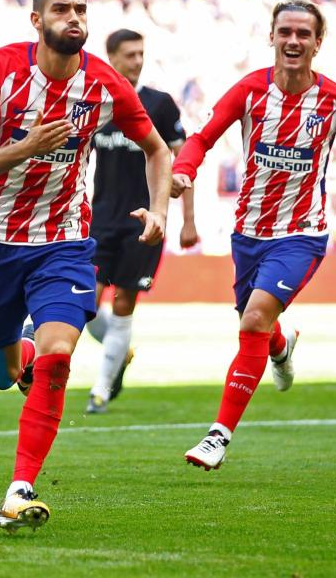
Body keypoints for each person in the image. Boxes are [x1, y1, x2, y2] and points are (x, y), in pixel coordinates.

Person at [0, 0, 172, 532]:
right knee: (4, 375)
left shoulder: (104, 86)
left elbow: (156, 148)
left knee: (58, 357)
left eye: (81, 9)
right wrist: (28, 145)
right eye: (61, 9)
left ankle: (18, 490)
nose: (74, 18)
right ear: (37, 21)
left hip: (64, 243)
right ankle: (19, 356)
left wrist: (160, 210)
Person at [171, 0, 336, 471]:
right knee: (257, 324)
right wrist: (184, 171)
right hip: (247, 233)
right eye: (285, 32)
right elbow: (202, 138)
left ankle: (217, 437)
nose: (293, 41)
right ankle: (282, 347)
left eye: (304, 34)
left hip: (302, 233)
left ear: (318, 43)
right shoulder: (248, 91)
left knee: (252, 320)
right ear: (272, 37)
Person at [84, 29, 198, 414]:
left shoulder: (160, 105)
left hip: (145, 223)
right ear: (111, 58)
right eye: (129, 55)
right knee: (82, 303)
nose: (137, 61)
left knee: (122, 303)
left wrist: (187, 221)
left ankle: (100, 390)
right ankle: (120, 351)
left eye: (140, 54)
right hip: (99, 221)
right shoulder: (97, 102)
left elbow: (182, 164)